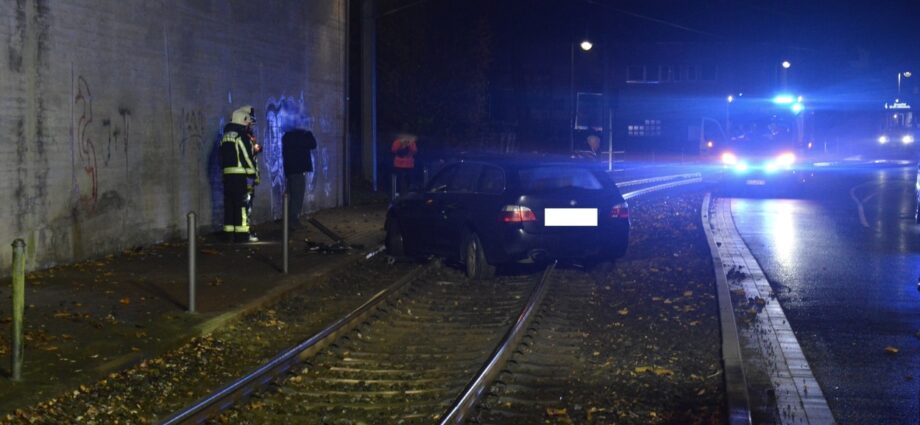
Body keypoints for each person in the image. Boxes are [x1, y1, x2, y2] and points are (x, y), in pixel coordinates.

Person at [220, 105, 262, 243]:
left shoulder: (226, 136)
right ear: (243, 120)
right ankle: (242, 235)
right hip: (241, 176)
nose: (249, 126)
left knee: (229, 205)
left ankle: (228, 235)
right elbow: (246, 157)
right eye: (248, 123)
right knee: (242, 206)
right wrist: (254, 174)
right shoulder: (240, 136)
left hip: (227, 176)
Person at [281, 128, 317, 232]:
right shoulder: (302, 136)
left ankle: (288, 221)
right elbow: (313, 144)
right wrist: (308, 132)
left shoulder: (287, 136)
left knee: (291, 197)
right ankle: (294, 221)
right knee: (297, 197)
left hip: (290, 170)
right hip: (298, 170)